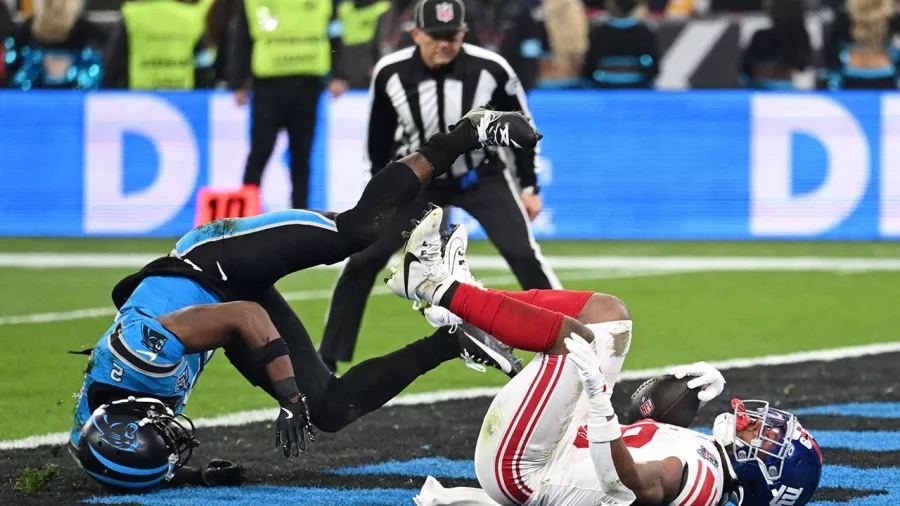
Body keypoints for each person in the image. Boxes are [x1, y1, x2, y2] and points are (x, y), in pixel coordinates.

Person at [68, 107, 539, 491]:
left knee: (354, 232)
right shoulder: (94, 433)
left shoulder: (140, 354)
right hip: (223, 314)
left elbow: (245, 315)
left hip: (216, 264)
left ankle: (465, 133)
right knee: (330, 409)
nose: (173, 432)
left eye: (163, 434)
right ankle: (455, 340)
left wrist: (289, 397)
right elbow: (119, 464)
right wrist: (191, 475)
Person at [384, 208, 824, 506]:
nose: (754, 422)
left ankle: (433, 286)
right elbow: (640, 418)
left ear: (765, 479)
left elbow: (623, 484)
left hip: (525, 470)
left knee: (575, 338)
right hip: (559, 447)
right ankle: (469, 304)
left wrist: (598, 404)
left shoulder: (704, 478)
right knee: (610, 317)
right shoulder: (707, 460)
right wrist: (689, 396)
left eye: (768, 440)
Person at [319, 0, 562, 373]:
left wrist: (530, 186)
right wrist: (380, 196)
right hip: (420, 183)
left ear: (463, 34)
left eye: (452, 36)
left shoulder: (491, 69)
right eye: (436, 36)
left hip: (480, 176)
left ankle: (567, 334)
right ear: (416, 34)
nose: (444, 44)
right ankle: (328, 357)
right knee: (364, 258)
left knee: (523, 253)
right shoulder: (390, 72)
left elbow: (522, 127)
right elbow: (377, 142)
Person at [229, 0, 350, 209]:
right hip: (268, 86)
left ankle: (299, 217)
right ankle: (243, 219)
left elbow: (335, 33)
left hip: (307, 84)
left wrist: (338, 73)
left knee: (301, 156)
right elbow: (242, 36)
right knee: (260, 152)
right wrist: (239, 82)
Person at [105, 0, 215, 90]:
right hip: (182, 97)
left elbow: (113, 62)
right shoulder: (192, 17)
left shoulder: (131, 15)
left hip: (139, 96)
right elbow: (203, 62)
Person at [4, 0, 106, 90]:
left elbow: (11, 71)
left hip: (33, 99)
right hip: (77, 99)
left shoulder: (23, 33)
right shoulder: (91, 34)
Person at [581, 0, 659, 89]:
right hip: (637, 85)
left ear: (611, 4)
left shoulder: (600, 33)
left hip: (604, 86)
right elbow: (654, 68)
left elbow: (589, 65)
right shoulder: (645, 32)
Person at [823, 0, 899, 90]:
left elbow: (830, 50)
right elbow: (831, 50)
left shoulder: (845, 18)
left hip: (855, 71)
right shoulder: (892, 18)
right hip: (881, 71)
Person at [740, 0, 811, 90]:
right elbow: (804, 65)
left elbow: (745, 68)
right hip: (785, 85)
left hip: (769, 86)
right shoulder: (801, 38)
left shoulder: (762, 37)